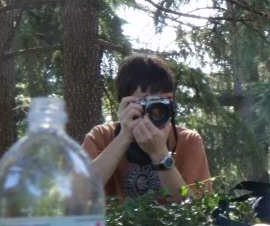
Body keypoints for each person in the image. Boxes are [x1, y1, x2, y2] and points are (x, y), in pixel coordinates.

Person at [82, 53, 212, 201]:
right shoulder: (102, 137)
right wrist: (124, 138)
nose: (158, 108)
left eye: (166, 100)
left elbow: (197, 209)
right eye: (149, 100)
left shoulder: (187, 140)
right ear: (125, 102)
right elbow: (77, 195)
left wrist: (160, 155)